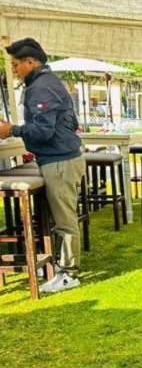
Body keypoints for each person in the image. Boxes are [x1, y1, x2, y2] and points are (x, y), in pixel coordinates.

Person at [0, 38, 85, 292]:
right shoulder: (50, 82)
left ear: (30, 62)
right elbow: (71, 123)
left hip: (60, 160)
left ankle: (69, 274)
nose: (15, 70)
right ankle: (59, 265)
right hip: (62, 158)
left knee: (65, 221)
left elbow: (43, 131)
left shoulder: (41, 87)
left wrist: (12, 129)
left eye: (16, 65)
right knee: (61, 217)